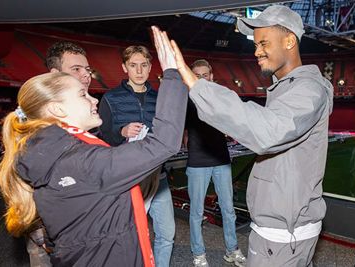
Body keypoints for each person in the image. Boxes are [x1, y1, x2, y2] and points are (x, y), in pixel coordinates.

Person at [155, 5, 334, 266]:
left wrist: (195, 83)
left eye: (263, 43)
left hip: (283, 235)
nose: (256, 51)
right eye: (255, 44)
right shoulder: (290, 88)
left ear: (289, 41)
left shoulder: (308, 89)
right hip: (282, 230)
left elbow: (266, 130)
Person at [0, 26, 188, 266]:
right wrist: (172, 73)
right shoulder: (81, 160)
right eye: (81, 94)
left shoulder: (44, 149)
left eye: (86, 70)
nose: (94, 97)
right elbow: (163, 143)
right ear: (57, 108)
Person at [98, 45, 176, 267]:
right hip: (128, 178)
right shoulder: (111, 98)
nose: (139, 71)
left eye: (144, 65)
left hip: (157, 176)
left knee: (167, 233)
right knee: (129, 235)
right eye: (133, 65)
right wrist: (121, 131)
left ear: (151, 67)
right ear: (124, 67)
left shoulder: (160, 97)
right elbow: (103, 138)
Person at [22, 40, 94, 267]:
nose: (86, 75)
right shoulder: (34, 115)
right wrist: (37, 224)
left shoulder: (86, 108)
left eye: (87, 69)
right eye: (76, 69)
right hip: (49, 220)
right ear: (54, 74)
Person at [184, 59, 246, 267]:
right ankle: (199, 254)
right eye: (197, 75)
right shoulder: (186, 99)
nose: (202, 79)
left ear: (211, 77)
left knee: (229, 210)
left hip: (221, 159)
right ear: (193, 77)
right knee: (196, 212)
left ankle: (232, 250)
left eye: (205, 75)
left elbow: (234, 121)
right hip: (197, 162)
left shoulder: (221, 98)